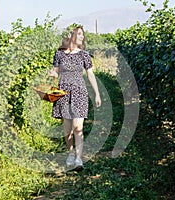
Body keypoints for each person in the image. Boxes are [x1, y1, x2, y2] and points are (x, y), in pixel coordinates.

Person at [49, 26, 101, 170]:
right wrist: (52, 74)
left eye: (82, 35)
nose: (82, 37)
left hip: (79, 93)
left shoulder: (84, 55)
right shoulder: (59, 54)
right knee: (68, 129)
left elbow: (90, 74)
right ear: (71, 36)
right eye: (79, 34)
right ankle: (70, 152)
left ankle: (79, 159)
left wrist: (97, 93)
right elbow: (56, 71)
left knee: (78, 127)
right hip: (63, 94)